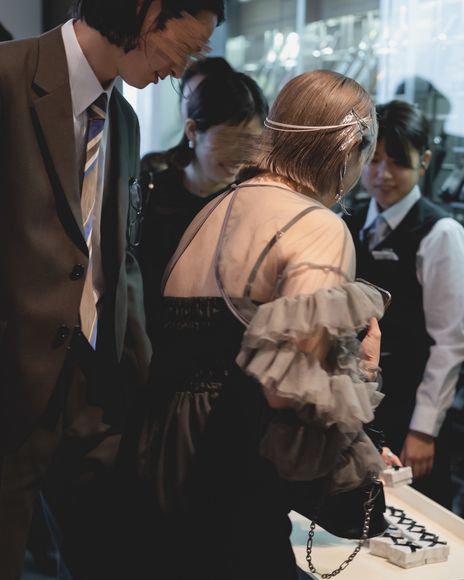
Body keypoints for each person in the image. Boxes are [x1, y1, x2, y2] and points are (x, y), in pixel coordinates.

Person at [134, 69, 396, 579]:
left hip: (157, 454)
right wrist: (359, 370)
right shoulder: (316, 225)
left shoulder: (214, 208)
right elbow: (291, 391)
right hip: (227, 468)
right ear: (350, 147)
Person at [0, 1, 224, 579]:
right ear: (148, 11)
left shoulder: (122, 117)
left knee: (107, 552)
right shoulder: (7, 78)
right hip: (12, 382)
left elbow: (115, 257)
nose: (180, 69)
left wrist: (140, 372)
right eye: (186, 47)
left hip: (96, 388)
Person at [343, 100, 464, 508]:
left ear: (425, 162)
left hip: (409, 407)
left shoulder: (441, 233)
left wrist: (424, 429)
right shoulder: (348, 221)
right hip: (355, 404)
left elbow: (450, 343)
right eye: (374, 160)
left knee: (411, 519)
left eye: (399, 162)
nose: (383, 174)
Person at [137, 57, 269, 334]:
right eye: (228, 140)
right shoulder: (151, 192)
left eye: (250, 143)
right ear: (193, 131)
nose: (239, 156)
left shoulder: (256, 203)